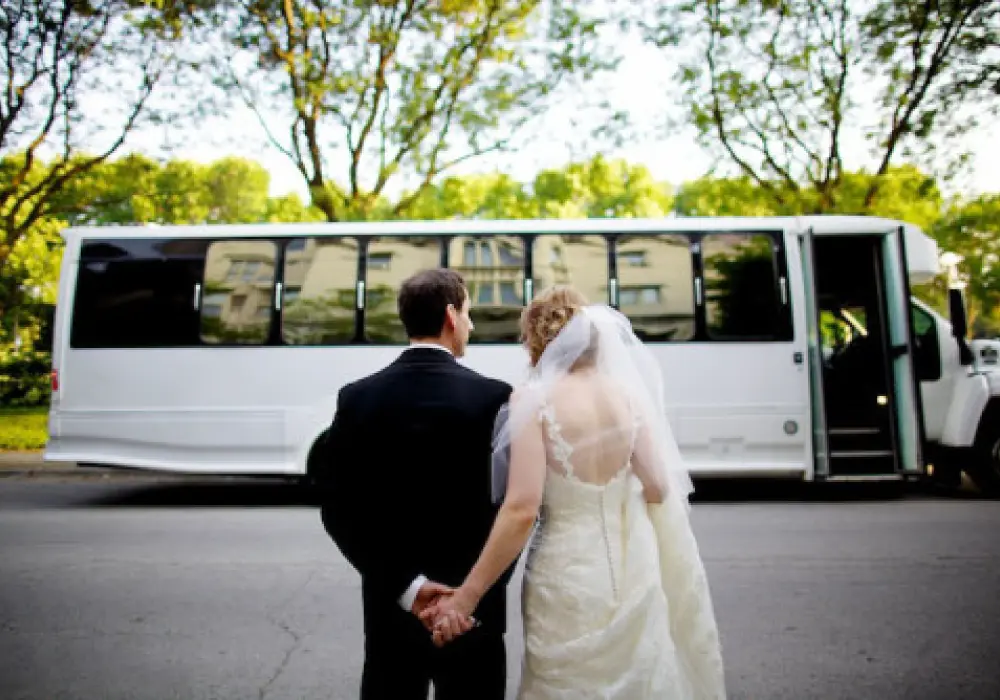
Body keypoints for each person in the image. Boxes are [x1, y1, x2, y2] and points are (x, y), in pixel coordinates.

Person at [422, 285, 727, 699]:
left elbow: (521, 508)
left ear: (540, 338)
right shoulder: (627, 397)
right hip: (627, 568)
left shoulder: (534, 400)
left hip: (562, 572)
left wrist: (467, 596)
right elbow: (657, 487)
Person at [315, 268, 514, 700]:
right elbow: (510, 507)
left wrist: (407, 587)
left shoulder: (357, 396)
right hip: (472, 607)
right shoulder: (495, 397)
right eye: (468, 313)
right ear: (449, 315)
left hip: (392, 605)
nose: (470, 325)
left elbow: (338, 509)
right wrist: (467, 597)